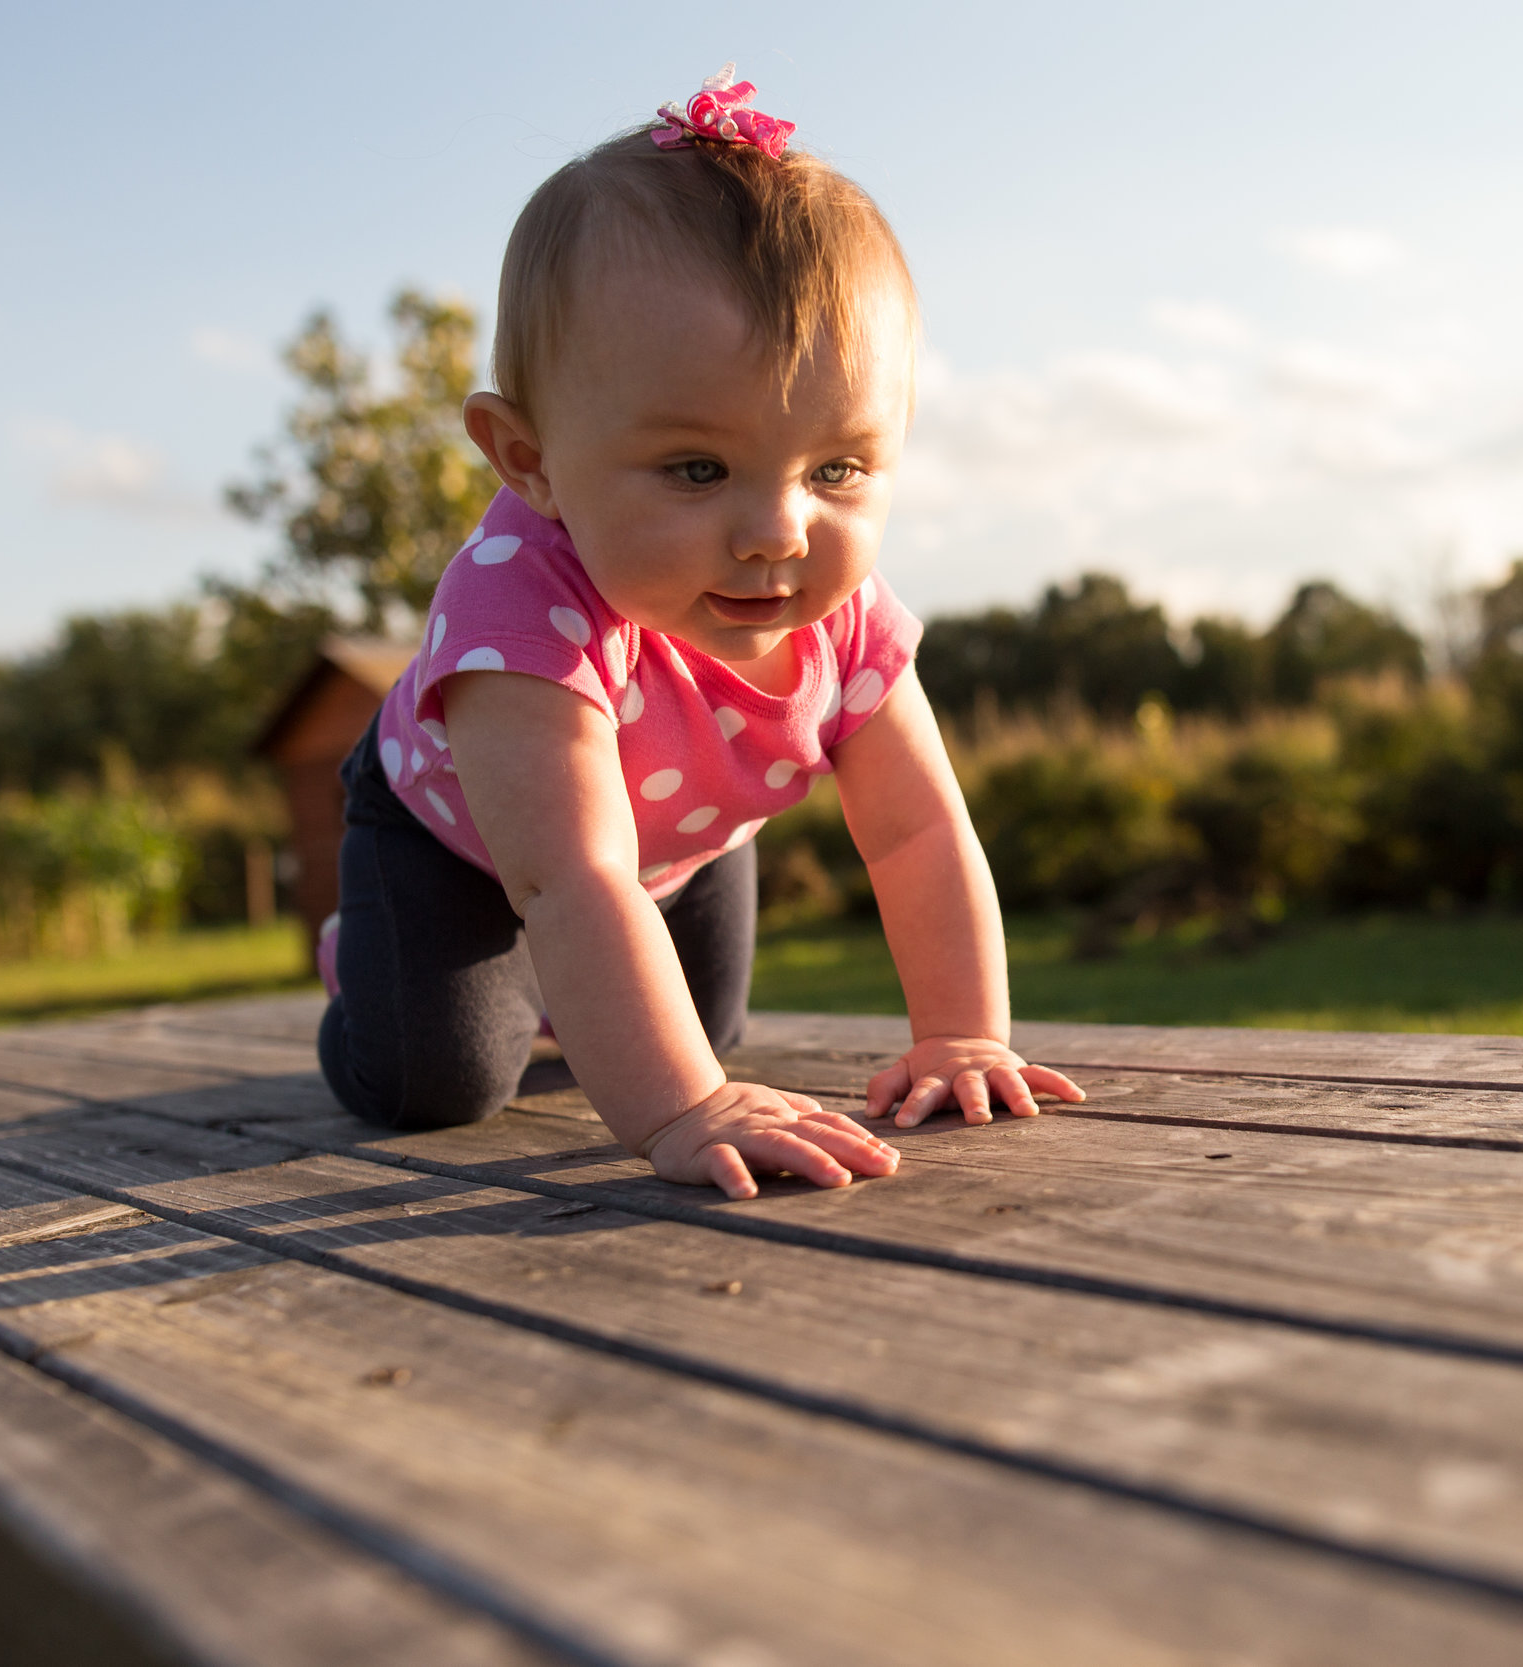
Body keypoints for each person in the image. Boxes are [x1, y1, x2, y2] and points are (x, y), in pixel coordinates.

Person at [316, 69, 1085, 1199]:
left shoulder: (846, 619)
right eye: (696, 468)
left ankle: (574, 1003)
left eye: (836, 468)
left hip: (680, 846)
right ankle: (364, 961)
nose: (776, 532)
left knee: (703, 1029)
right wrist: (677, 1110)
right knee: (441, 1082)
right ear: (529, 461)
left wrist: (962, 1033)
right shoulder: (517, 604)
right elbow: (572, 875)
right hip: (462, 844)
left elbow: (919, 832)